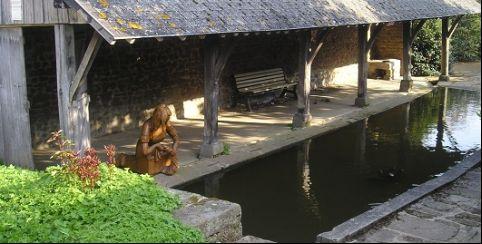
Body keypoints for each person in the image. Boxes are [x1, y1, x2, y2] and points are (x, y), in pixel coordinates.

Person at [116, 104, 179, 175]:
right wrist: (157, 145)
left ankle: (160, 167)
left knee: (169, 157)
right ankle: (123, 159)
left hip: (156, 148)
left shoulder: (165, 123)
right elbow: (145, 151)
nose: (166, 121)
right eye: (164, 119)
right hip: (143, 149)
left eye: (167, 119)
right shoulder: (147, 125)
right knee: (145, 166)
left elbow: (176, 139)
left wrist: (173, 149)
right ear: (158, 118)